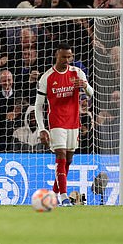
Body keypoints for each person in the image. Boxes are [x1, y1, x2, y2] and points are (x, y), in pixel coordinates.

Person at [34, 42, 94, 207]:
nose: (66, 60)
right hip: (56, 123)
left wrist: (85, 86)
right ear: (56, 56)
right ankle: (64, 196)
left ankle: (53, 194)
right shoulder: (47, 77)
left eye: (69, 57)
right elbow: (38, 107)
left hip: (73, 123)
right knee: (60, 155)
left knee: (68, 159)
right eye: (63, 57)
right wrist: (42, 128)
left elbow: (92, 94)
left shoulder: (77, 73)